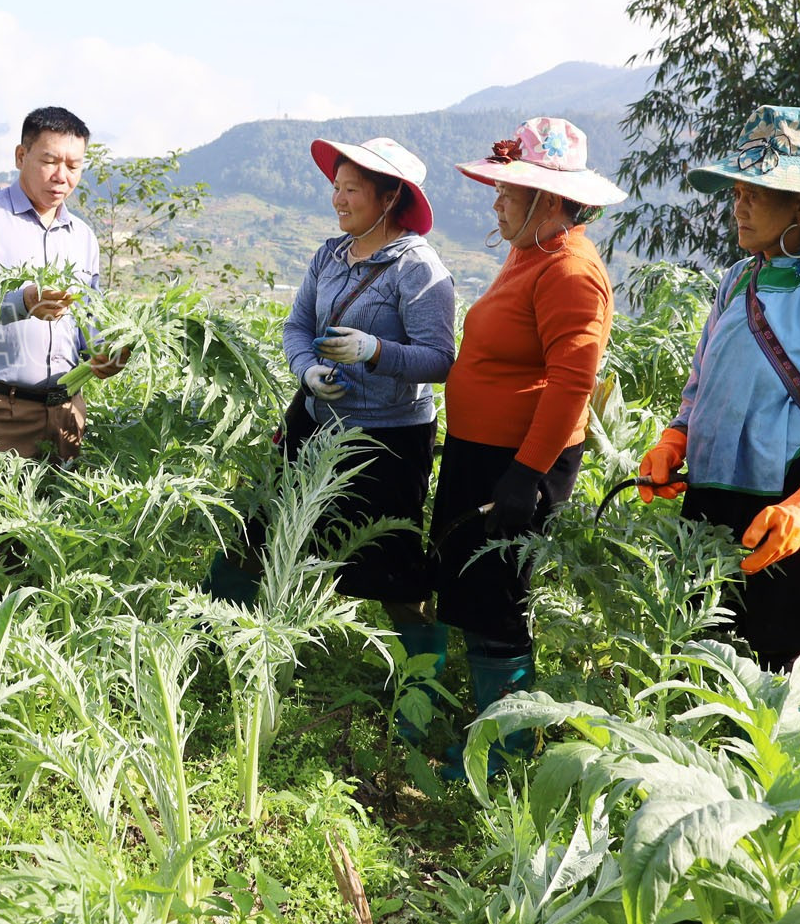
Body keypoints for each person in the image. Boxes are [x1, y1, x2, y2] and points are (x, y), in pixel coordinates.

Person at [637, 105, 800, 672]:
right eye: (737, 191)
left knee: (771, 668)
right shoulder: (738, 279)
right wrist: (676, 438)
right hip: (710, 491)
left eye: (758, 191)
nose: (739, 205)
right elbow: (701, 381)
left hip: (781, 500)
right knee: (703, 653)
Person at [431, 117, 626, 769]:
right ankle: (488, 735)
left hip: (518, 463)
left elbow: (574, 380)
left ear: (547, 196)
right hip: (488, 453)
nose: (496, 199)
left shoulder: (572, 269)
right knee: (480, 594)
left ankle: (506, 749)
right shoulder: (532, 252)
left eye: (508, 189)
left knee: (499, 601)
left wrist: (527, 472)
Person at [211, 138, 455, 634]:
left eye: (351, 190)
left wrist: (375, 351)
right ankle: (212, 631)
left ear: (388, 199)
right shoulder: (330, 255)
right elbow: (296, 327)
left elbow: (440, 360)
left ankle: (418, 686)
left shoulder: (417, 267)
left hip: (386, 440)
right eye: (336, 187)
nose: (337, 199)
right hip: (314, 422)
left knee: (389, 561)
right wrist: (307, 373)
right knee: (261, 528)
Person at [0, 106, 124, 464]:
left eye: (73, 166)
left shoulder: (83, 237)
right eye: (50, 161)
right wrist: (21, 302)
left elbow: (90, 315)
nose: (62, 176)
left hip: (67, 413)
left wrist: (108, 351)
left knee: (61, 517)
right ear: (21, 156)